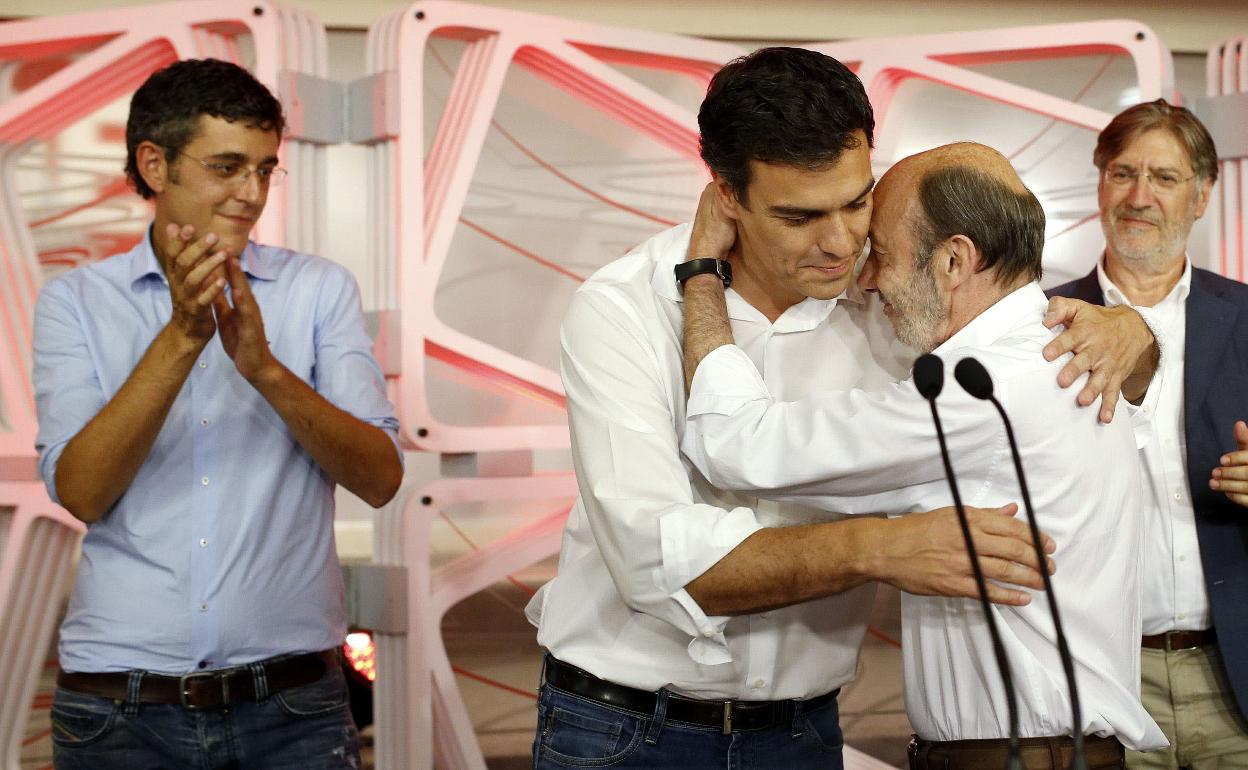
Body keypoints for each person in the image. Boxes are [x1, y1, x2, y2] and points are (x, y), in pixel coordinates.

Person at [526, 46, 1149, 770]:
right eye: (800, 216)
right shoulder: (624, 308)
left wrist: (1132, 333)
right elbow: (654, 558)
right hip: (627, 729)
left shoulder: (897, 283)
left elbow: (1011, 330)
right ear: (726, 194)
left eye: (857, 203)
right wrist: (880, 548)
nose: (842, 244)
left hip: (806, 732)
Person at [678, 141, 1168, 769]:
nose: (868, 278)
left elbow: (736, 443)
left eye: (879, 254)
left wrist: (700, 274)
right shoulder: (1060, 354)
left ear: (954, 260)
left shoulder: (978, 388)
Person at [32, 58, 403, 769]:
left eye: (267, 169)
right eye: (228, 167)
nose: (253, 192)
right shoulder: (75, 301)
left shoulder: (318, 290)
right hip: (119, 709)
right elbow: (80, 490)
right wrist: (183, 336)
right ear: (155, 163)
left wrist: (263, 369)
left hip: (293, 706)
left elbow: (381, 479)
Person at [1047, 99, 1248, 769]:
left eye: (1163, 178)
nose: (1139, 197)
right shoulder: (1042, 328)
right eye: (1123, 173)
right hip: (1100, 679)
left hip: (1236, 677)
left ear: (1202, 194)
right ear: (1100, 182)